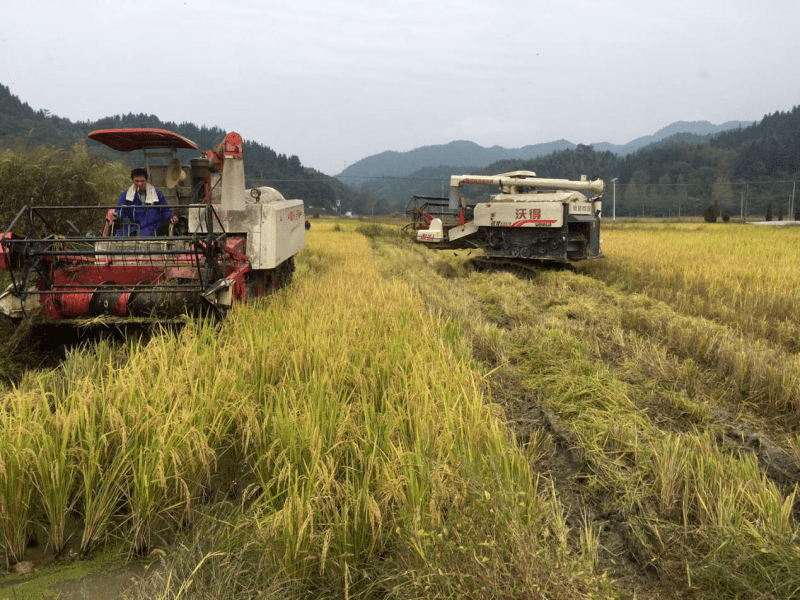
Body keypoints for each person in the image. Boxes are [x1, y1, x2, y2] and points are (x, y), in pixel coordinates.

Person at [113, 168, 178, 236]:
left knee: (144, 236)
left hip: (151, 227)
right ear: (133, 181)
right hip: (131, 227)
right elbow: (120, 210)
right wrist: (116, 215)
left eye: (142, 181)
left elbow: (165, 210)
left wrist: (171, 217)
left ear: (146, 180)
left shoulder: (156, 194)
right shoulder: (125, 195)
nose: (139, 184)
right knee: (118, 236)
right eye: (137, 181)